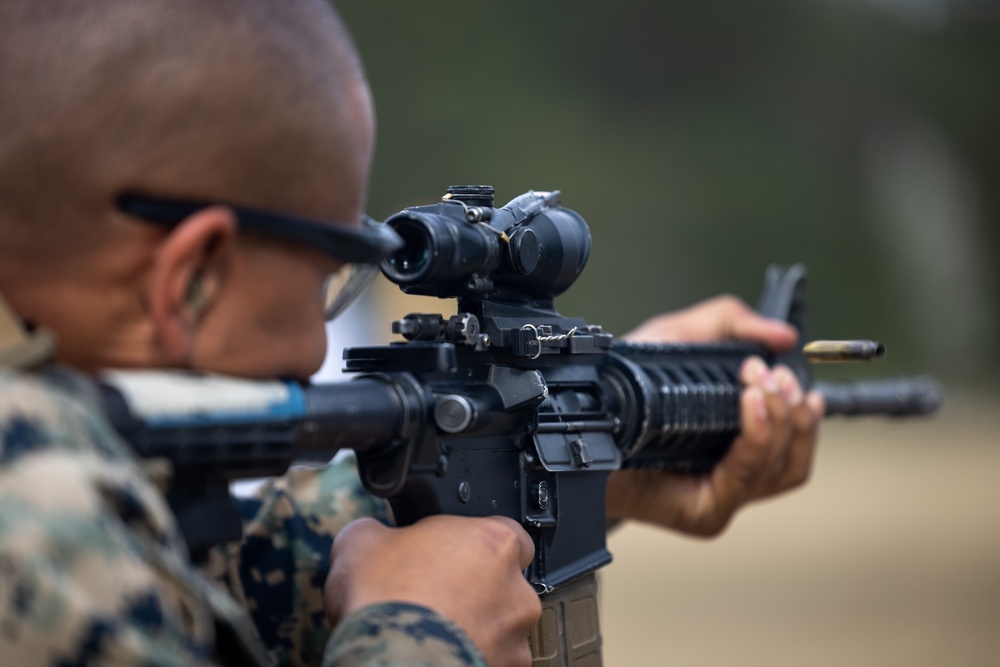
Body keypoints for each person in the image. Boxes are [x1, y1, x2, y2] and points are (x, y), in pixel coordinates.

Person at [0, 1, 823, 666]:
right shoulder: (35, 515)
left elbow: (226, 597)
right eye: (331, 273)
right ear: (193, 278)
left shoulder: (67, 459)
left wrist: (566, 452)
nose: (313, 349)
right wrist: (420, 636)